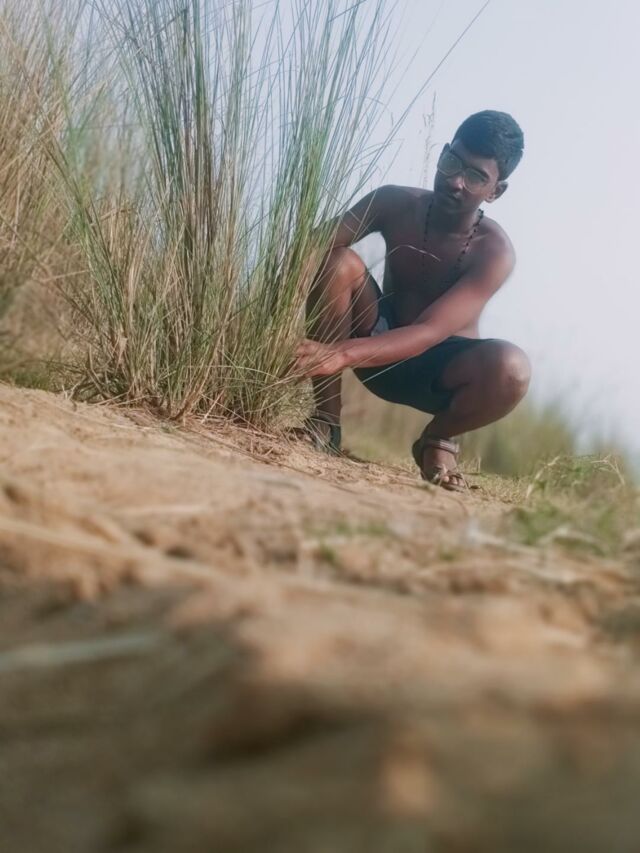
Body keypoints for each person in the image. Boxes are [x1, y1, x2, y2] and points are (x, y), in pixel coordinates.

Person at [293, 110, 530, 491]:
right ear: (442, 152)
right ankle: (325, 423)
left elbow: (428, 331)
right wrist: (276, 317)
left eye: (475, 177)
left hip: (436, 374)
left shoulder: (495, 252)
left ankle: (438, 440)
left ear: (495, 191)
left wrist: (339, 353)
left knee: (512, 368)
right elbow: (313, 246)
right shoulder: (394, 202)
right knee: (336, 262)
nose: (455, 181)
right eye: (452, 162)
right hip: (376, 341)